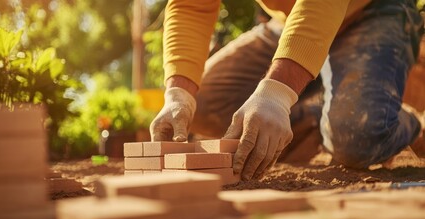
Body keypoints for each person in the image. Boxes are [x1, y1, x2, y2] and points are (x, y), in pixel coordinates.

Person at [150, 0, 425, 181]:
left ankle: (394, 119)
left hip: (371, 13)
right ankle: (328, 116)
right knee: (204, 103)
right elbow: (191, 5)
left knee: (358, 135)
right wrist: (179, 91)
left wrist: (277, 93)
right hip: (292, 19)